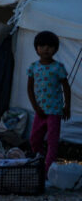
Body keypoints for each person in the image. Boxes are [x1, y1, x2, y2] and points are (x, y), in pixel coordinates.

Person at [27, 30, 72, 172]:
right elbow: (29, 89)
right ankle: (40, 160)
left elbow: (66, 88)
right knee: (34, 139)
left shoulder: (58, 67)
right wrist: (35, 107)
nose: (46, 49)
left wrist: (67, 107)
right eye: (42, 46)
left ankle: (47, 169)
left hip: (54, 111)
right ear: (36, 48)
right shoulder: (33, 67)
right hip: (40, 112)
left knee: (53, 141)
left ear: (55, 49)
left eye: (50, 46)